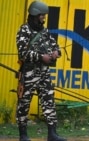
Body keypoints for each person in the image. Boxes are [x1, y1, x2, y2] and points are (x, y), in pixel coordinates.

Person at [16, 1, 66, 141]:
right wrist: (40, 57)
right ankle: (23, 135)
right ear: (35, 15)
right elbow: (22, 54)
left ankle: (52, 134)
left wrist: (56, 52)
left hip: (44, 74)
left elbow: (56, 46)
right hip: (28, 75)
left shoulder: (45, 31)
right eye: (42, 15)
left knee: (49, 102)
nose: (44, 18)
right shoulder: (24, 30)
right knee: (24, 104)